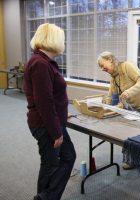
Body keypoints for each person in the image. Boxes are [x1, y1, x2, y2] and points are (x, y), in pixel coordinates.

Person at [23, 23, 76, 200]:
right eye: (62, 39)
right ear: (53, 40)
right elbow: (44, 102)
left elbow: (51, 95)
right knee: (50, 165)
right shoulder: (40, 64)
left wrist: (62, 113)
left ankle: (46, 196)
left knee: (68, 157)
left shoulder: (44, 62)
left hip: (53, 121)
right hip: (46, 125)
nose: (64, 42)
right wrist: (56, 133)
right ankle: (45, 197)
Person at [97, 51, 140, 179]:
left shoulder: (127, 66)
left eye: (103, 65)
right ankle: (133, 161)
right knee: (133, 137)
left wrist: (128, 93)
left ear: (110, 59)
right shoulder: (114, 78)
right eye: (101, 67)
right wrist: (104, 107)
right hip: (134, 109)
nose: (103, 69)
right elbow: (111, 96)